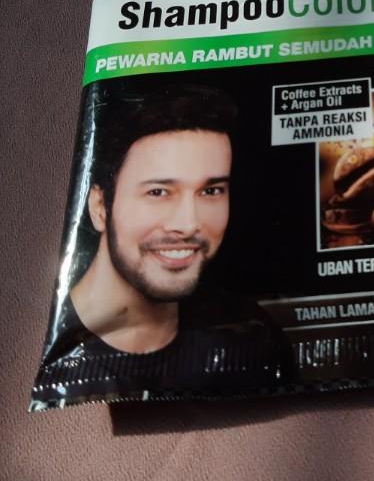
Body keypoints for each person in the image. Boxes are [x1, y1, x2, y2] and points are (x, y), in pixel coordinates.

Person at [33, 85, 291, 405]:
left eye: (210, 191)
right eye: (158, 192)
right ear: (99, 207)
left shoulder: (252, 338)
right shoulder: (41, 348)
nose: (188, 223)